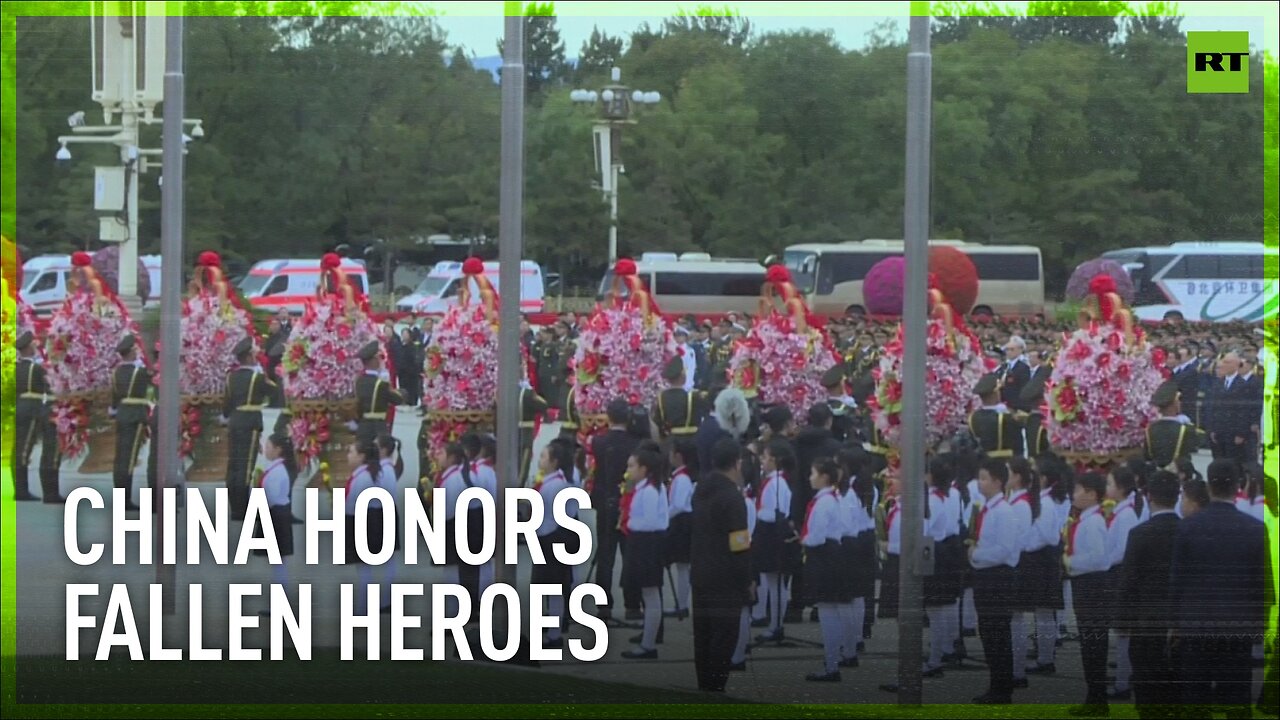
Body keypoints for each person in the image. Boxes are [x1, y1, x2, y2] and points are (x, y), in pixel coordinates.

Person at [1169, 460, 1270, 719]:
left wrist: (1174, 623)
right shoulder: (1255, 529)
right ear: (1238, 486)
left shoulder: (1188, 527)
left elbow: (1176, 581)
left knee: (1195, 700)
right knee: (1237, 700)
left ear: (1208, 485)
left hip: (1196, 625)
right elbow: (1263, 584)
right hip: (1237, 627)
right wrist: (1259, 627)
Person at [1116, 470, 1181, 720]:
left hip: (1146, 621)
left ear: (1148, 495)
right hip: (1179, 622)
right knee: (1174, 687)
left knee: (1146, 684)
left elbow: (1128, 581)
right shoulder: (1186, 530)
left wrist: (1123, 622)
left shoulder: (1140, 533)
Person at [691, 437, 753, 692]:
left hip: (701, 572)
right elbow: (739, 543)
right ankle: (716, 687)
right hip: (726, 577)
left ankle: (704, 684)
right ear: (737, 463)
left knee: (703, 635)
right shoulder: (732, 498)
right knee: (724, 636)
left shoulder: (700, 491)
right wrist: (747, 579)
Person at [967, 458, 1019, 705]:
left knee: (997, 634)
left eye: (985, 478)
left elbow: (1005, 550)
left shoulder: (1004, 511)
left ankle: (1002, 688)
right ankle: (997, 684)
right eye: (980, 477)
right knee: (989, 633)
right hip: (985, 576)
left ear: (998, 482)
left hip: (998, 578)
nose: (980, 482)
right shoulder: (987, 508)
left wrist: (975, 556)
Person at [1064, 472, 1112, 717]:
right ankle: (1094, 697)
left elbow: (1098, 558)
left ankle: (1097, 698)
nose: (1074, 495)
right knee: (1090, 644)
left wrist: (1069, 561)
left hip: (1093, 588)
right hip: (1085, 586)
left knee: (1094, 644)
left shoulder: (1093, 522)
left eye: (1078, 490)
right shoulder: (1085, 518)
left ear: (1092, 494)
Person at [590, 399, 642, 622]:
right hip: (630, 503)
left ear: (608, 417)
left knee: (605, 555)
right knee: (630, 554)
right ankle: (632, 604)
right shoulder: (637, 442)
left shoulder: (599, 442)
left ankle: (604, 606)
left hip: (606, 503)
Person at [800, 457, 849, 682]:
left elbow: (817, 537)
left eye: (813, 473)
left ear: (824, 477)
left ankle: (831, 665)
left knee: (828, 613)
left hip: (823, 558)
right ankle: (834, 660)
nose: (810, 477)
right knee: (832, 612)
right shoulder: (833, 498)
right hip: (834, 557)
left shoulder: (823, 502)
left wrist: (803, 540)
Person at [620, 443, 670, 660]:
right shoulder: (645, 489)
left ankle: (649, 644)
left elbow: (650, 522)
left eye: (632, 466)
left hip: (647, 544)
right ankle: (647, 640)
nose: (628, 470)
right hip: (643, 543)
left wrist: (630, 522)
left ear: (644, 469)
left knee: (651, 595)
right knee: (648, 594)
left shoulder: (650, 491)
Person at [532, 439, 582, 648]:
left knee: (553, 588)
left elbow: (548, 518)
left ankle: (554, 635)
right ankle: (553, 629)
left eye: (544, 456)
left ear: (554, 461)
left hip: (551, 539)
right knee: (553, 588)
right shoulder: (554, 481)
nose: (540, 460)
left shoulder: (554, 485)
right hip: (553, 537)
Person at [1105, 463, 1146, 701]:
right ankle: (1123, 676)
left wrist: (1102, 561)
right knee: (1121, 633)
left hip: (1119, 574)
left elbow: (1123, 550)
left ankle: (1123, 683)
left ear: (1121, 488)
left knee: (1123, 633)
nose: (1107, 488)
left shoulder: (1127, 514)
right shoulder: (1120, 510)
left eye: (1110, 483)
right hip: (1115, 572)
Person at [222, 337, 274, 521]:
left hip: (235, 421)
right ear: (250, 356)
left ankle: (234, 506)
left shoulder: (231, 377)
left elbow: (226, 407)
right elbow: (274, 392)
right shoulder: (258, 377)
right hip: (250, 423)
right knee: (245, 466)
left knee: (234, 464)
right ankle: (243, 508)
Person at [1029, 455, 1071, 675]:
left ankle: (1045, 658)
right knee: (1045, 610)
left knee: (1044, 611)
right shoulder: (1055, 498)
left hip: (1043, 558)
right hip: (1048, 556)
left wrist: (1025, 544)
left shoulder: (1045, 502)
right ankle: (1045, 654)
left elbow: (1046, 536)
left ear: (1043, 478)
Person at [752, 439, 796, 643]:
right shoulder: (772, 480)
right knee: (771, 582)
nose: (763, 460)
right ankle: (774, 622)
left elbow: (776, 511)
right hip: (768, 531)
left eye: (767, 456)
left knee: (776, 583)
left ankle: (776, 624)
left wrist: (760, 513)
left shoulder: (778, 482)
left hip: (772, 533)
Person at [924, 454, 964, 679]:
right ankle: (947, 646)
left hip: (937, 550)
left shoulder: (933, 499)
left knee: (936, 608)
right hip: (950, 547)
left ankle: (936, 657)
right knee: (947, 603)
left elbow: (927, 529)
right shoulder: (953, 493)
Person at [1006, 457, 1041, 691]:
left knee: (1015, 623)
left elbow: (1016, 538)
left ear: (1017, 477)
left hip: (1016, 566)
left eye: (1008, 472)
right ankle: (1016, 670)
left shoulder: (1020, 504)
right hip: (1018, 564)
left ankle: (1017, 671)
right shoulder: (1018, 500)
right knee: (1014, 623)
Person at [12, 331, 59, 503]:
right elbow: (51, 387)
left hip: (20, 406)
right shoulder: (36, 368)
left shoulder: (17, 367)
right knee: (24, 451)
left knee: (20, 449)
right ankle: (22, 491)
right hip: (32, 408)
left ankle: (20, 489)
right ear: (29, 348)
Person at [342, 441, 387, 616]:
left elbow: (354, 505)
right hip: (367, 520)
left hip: (364, 521)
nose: (348, 455)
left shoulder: (363, 478)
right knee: (363, 568)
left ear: (362, 457)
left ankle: (364, 608)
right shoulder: (365, 474)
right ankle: (364, 606)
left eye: (351, 451)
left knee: (364, 568)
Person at [254, 432, 296, 614]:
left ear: (278, 450)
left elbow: (270, 497)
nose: (265, 450)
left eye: (268, 446)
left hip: (275, 516)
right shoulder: (276, 468)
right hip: (277, 514)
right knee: (278, 564)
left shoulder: (277, 471)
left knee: (278, 564)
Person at [111, 334, 153, 512]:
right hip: (135, 415)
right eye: (135, 350)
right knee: (129, 459)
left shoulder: (116, 372)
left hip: (121, 413)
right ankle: (124, 500)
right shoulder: (140, 372)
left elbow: (114, 398)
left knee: (121, 456)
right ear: (130, 352)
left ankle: (120, 496)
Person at [664, 440, 697, 620]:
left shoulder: (682, 478)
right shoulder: (680, 476)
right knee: (681, 566)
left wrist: (664, 517)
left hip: (682, 523)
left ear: (678, 456)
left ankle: (683, 603)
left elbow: (678, 505)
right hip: (680, 522)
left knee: (683, 565)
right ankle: (681, 602)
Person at [354, 340, 404, 447]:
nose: (380, 361)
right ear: (373, 361)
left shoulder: (358, 381)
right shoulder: (380, 383)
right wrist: (403, 393)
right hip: (377, 428)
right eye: (378, 358)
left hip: (362, 428)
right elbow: (397, 399)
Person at [651, 356, 707, 445]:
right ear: (682, 376)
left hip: (670, 442)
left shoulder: (661, 398)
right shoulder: (693, 396)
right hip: (691, 442)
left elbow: (658, 423)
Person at [1206, 352, 1250, 462]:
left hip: (1233, 432)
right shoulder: (1218, 383)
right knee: (1218, 461)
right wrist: (1212, 429)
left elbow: (1244, 411)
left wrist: (1241, 433)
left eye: (1227, 362)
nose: (1223, 365)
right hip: (1219, 431)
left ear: (1236, 365)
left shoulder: (1243, 384)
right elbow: (1213, 408)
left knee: (1233, 463)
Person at [968, 373, 1024, 459]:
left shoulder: (972, 418)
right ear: (995, 394)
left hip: (982, 462)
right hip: (1005, 462)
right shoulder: (1005, 418)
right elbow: (1018, 444)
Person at [998, 335, 1032, 409]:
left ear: (1020, 350)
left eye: (1012, 349)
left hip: (1016, 404)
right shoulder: (1004, 366)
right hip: (1002, 403)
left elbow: (1023, 388)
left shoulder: (1023, 367)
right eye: (1007, 349)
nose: (1009, 352)